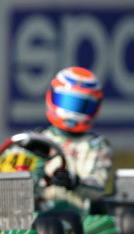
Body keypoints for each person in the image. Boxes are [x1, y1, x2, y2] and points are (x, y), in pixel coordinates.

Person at [35, 66, 113, 212]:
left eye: (80, 105)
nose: (71, 111)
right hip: (37, 208)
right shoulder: (36, 139)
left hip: (78, 214)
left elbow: (98, 187)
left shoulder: (96, 145)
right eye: (67, 101)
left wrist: (74, 181)